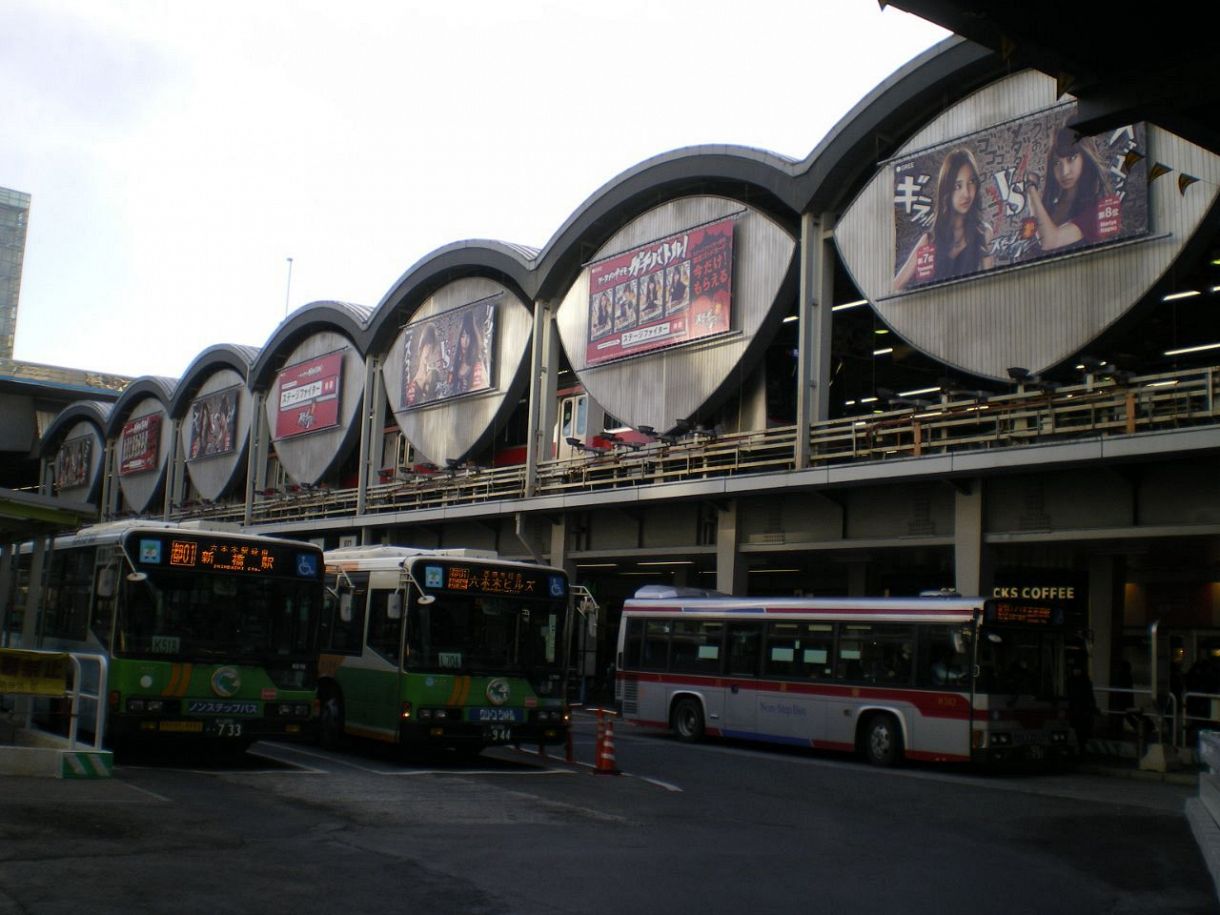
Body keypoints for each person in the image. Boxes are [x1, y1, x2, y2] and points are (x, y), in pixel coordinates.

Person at [894, 146, 995, 291]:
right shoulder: (930, 239)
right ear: (946, 190)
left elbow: (990, 284)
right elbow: (895, 286)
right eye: (957, 186)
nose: (966, 193)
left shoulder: (983, 232)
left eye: (971, 182)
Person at [1026, 127, 1112, 253]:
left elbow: (1050, 241)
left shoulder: (1096, 209)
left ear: (1085, 158)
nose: (1064, 172)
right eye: (1057, 163)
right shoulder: (1048, 206)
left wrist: (1030, 187)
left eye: (1071, 158)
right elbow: (1025, 244)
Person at [447, 311, 488, 395]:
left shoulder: (477, 363)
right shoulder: (454, 367)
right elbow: (448, 391)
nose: (465, 341)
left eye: (468, 337)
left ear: (473, 339)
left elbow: (484, 385)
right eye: (462, 336)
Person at [404, 325, 442, 406]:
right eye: (427, 346)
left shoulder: (435, 375)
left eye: (432, 348)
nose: (428, 352)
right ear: (421, 347)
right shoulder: (411, 388)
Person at [1066, 663, 1098, 756]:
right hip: (1075, 709)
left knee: (1081, 730)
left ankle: (1081, 748)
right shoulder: (1071, 681)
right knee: (1077, 729)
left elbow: (1090, 695)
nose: (1076, 671)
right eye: (1075, 669)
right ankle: (1079, 748)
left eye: (1078, 669)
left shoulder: (1084, 681)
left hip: (1082, 709)